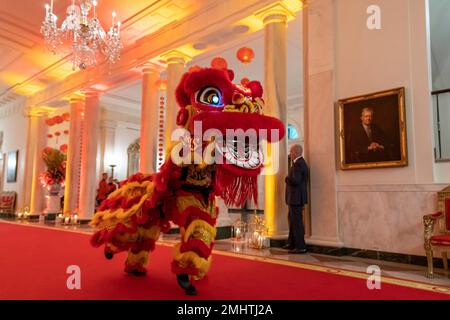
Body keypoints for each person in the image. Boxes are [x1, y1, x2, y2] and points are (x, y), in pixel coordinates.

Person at [283, 144, 309, 254]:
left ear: (296, 152)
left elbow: (296, 181)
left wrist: (286, 179)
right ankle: (292, 243)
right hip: (295, 198)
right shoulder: (300, 163)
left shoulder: (298, 164)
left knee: (297, 223)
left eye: (291, 151)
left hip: (295, 199)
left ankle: (300, 246)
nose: (290, 153)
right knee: (293, 221)